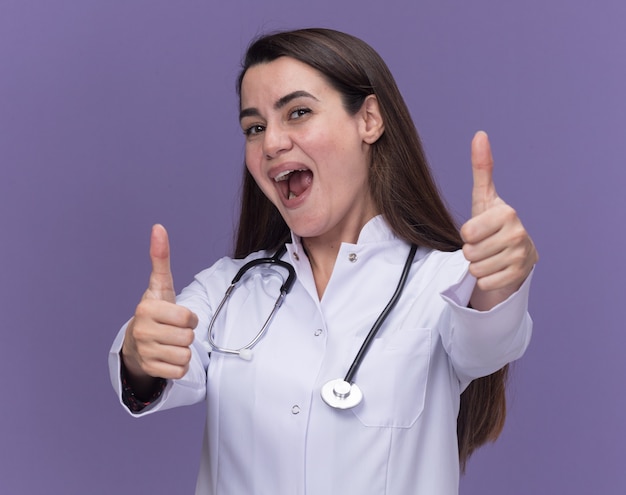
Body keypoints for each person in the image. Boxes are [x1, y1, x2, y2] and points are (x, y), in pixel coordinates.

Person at [109, 28, 538, 494]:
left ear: (369, 119)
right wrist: (140, 349)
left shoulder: (445, 280)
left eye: (298, 112)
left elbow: (490, 337)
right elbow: (159, 366)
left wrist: (501, 276)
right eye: (254, 127)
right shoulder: (227, 289)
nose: (271, 143)